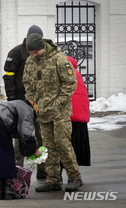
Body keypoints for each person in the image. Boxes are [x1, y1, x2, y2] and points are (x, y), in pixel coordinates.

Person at [22, 33, 83, 192]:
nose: (33, 55)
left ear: (43, 47)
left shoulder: (59, 59)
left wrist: (56, 104)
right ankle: (53, 179)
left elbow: (70, 84)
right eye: (31, 53)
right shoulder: (30, 61)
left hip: (59, 111)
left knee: (62, 143)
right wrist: (31, 100)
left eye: (36, 52)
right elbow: (27, 83)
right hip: (41, 111)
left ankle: (74, 176)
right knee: (48, 146)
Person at [3, 25, 47, 179]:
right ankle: (17, 168)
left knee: (41, 136)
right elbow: (8, 77)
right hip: (21, 103)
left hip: (38, 103)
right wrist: (12, 99)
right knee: (21, 136)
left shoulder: (42, 53)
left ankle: (43, 170)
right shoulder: (16, 52)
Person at [68, 56, 91, 166]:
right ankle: (76, 166)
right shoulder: (76, 73)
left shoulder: (68, 73)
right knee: (78, 142)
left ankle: (71, 169)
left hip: (71, 113)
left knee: (69, 144)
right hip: (80, 113)